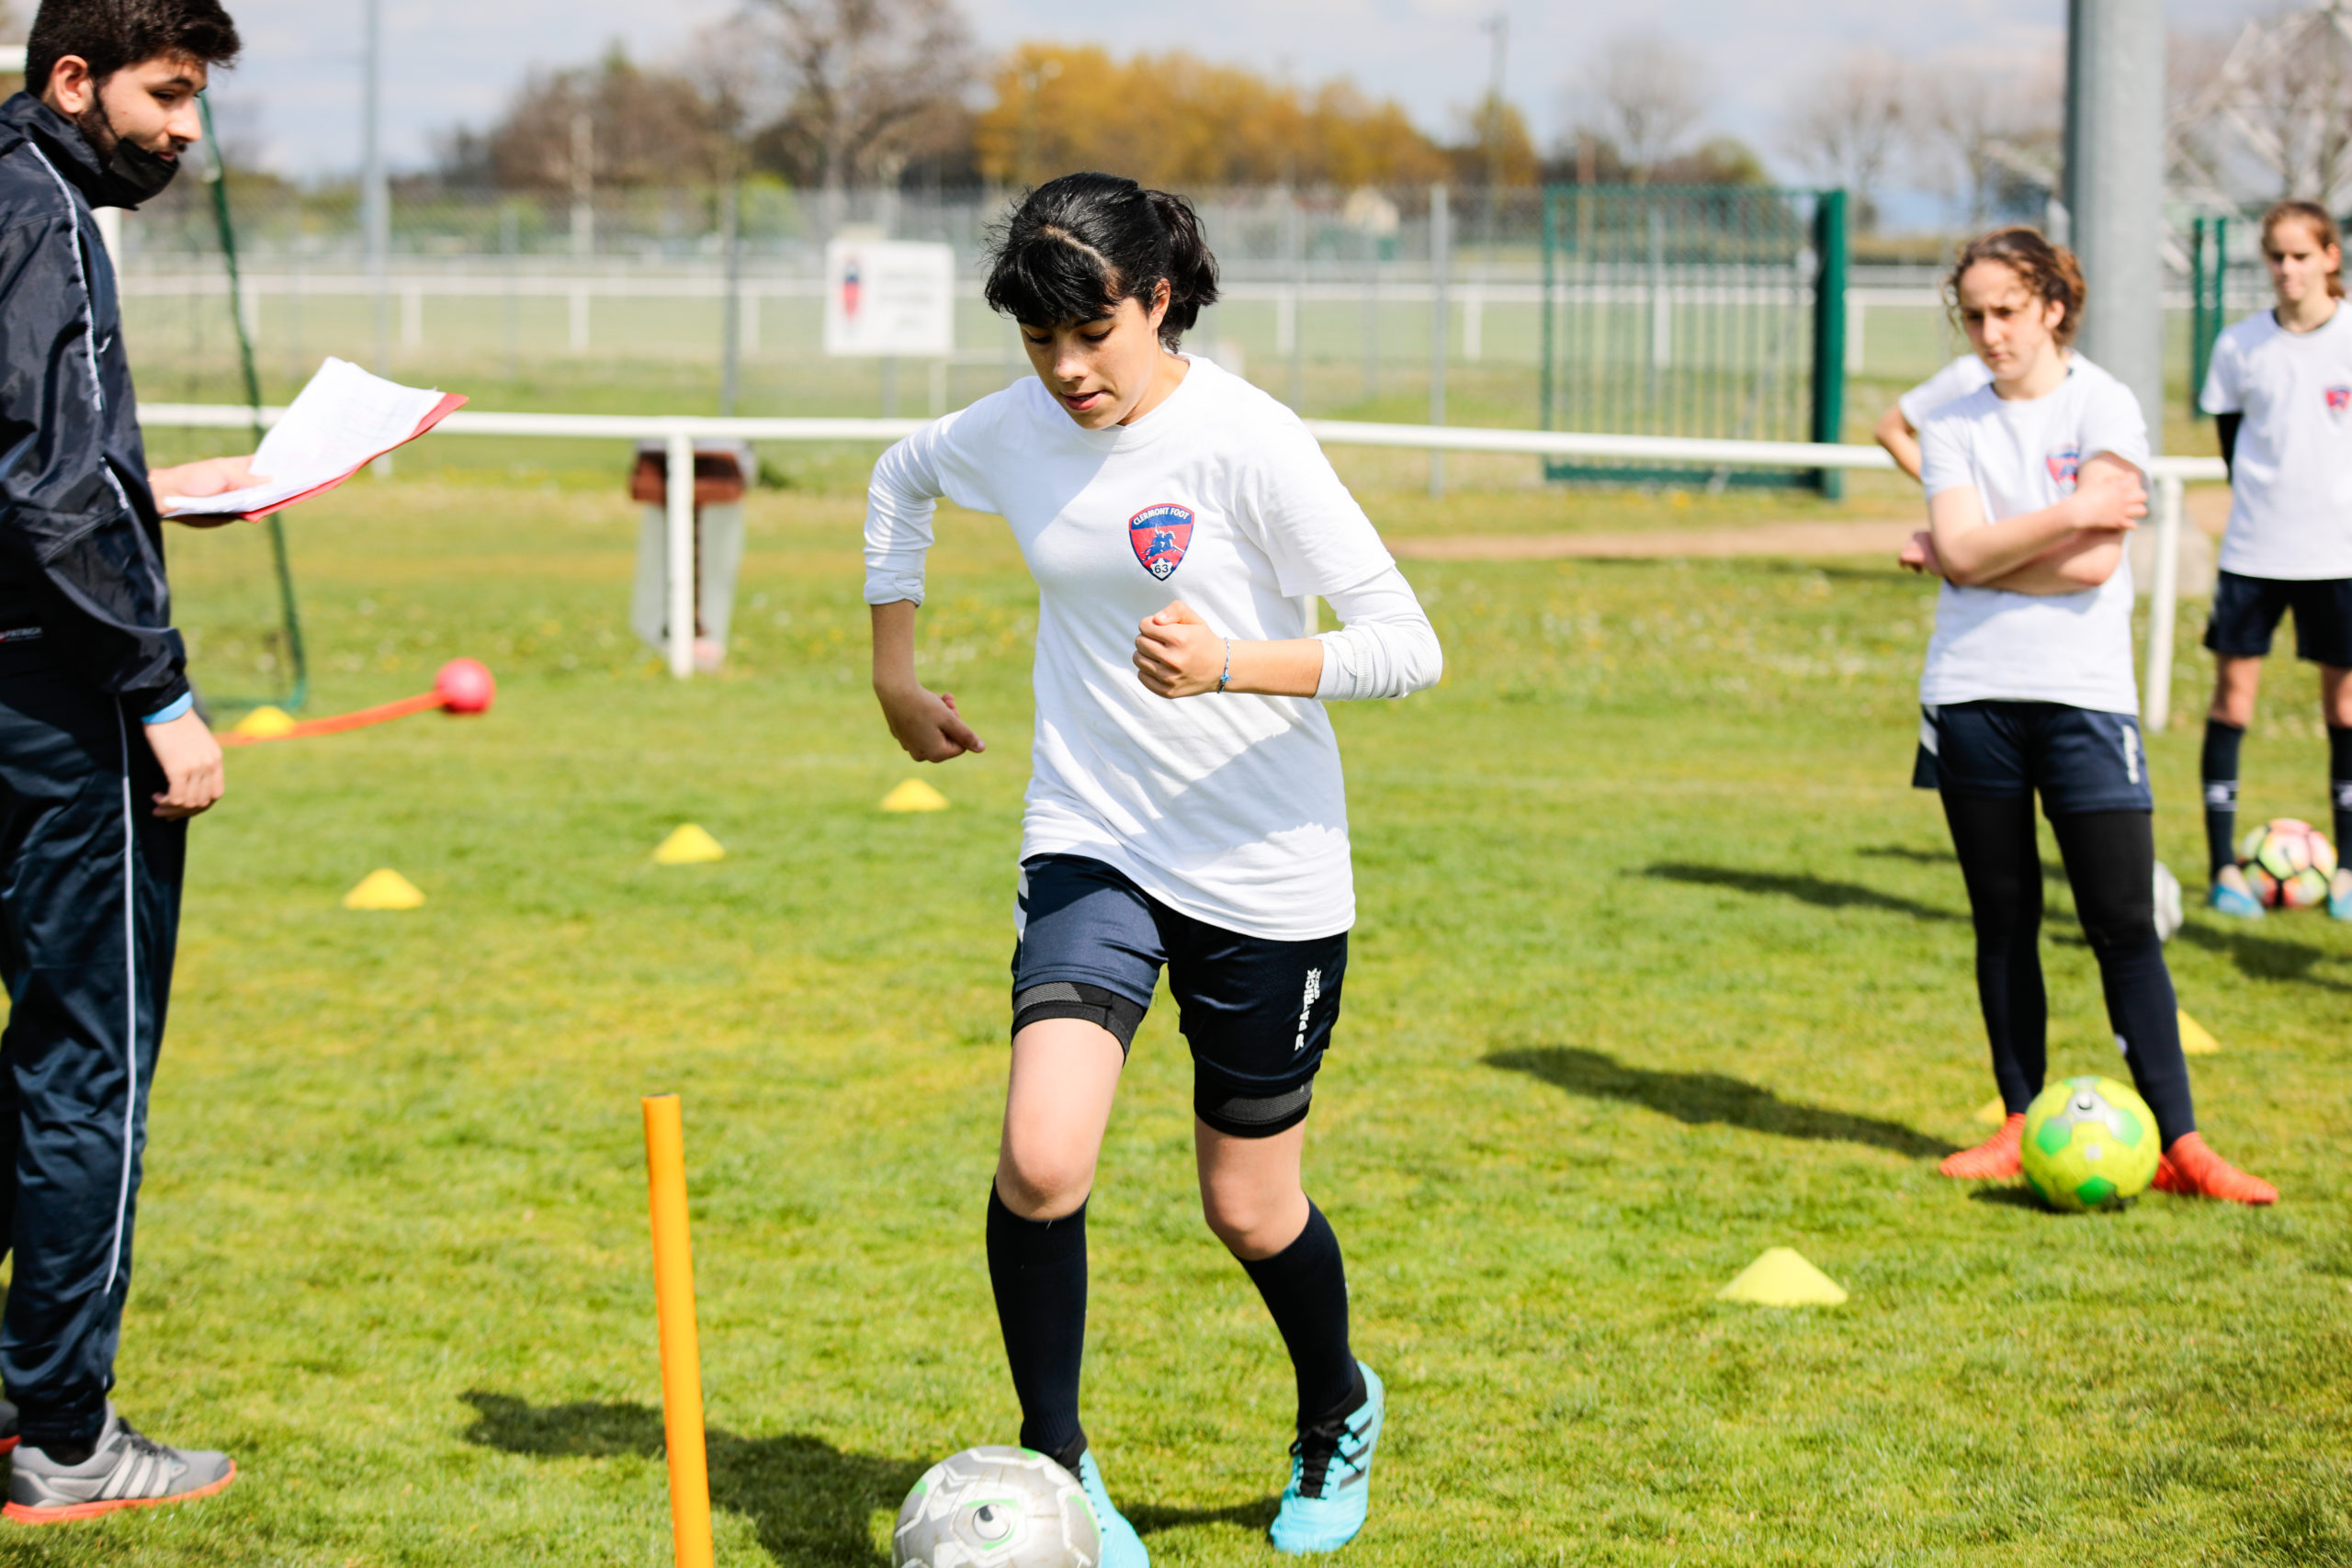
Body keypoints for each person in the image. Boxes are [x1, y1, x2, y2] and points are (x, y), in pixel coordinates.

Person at [863, 172, 1442, 1561]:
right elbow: (902, 476)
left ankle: (1334, 1405)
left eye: (1094, 336)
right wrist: (895, 672)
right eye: (1039, 342)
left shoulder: (1253, 442)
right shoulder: (1014, 427)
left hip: (1265, 860)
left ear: (1159, 299)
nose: (1067, 371)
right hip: (1093, 836)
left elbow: (1407, 643)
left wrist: (1240, 662)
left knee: (1247, 1203)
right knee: (1040, 1158)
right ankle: (1058, 1467)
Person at [0, 0, 267, 1522]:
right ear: (77, 78)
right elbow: (43, 487)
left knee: (36, 1054)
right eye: (169, 94)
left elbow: (33, 469)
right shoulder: (47, 215)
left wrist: (145, 490)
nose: (186, 130)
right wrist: (159, 692)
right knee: (87, 1061)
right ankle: (66, 1433)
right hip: (58, 702)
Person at [1898, 227, 2277, 1206]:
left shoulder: (2103, 401)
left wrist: (1977, 547)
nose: (1988, 334)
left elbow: (2093, 565)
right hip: (1970, 694)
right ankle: (2018, 1121)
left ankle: (2183, 1144)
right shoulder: (1953, 421)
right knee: (2003, 917)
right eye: (1973, 316)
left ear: (2053, 307)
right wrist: (2066, 513)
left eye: (2006, 313)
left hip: (2085, 700)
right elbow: (2001, 549)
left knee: (2120, 923)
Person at [2193, 200, 2352, 919]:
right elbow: (2232, 444)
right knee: (2232, 702)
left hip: (2341, 556)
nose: (2287, 269)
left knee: (2346, 709)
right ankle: (2225, 869)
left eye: (2300, 255)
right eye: (2276, 256)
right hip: (2255, 553)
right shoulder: (2239, 346)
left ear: (2330, 257)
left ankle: (2346, 872)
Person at [1874, 352, 1995, 482]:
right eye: (1978, 329)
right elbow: (1890, 429)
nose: (1990, 337)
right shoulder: (1972, 373)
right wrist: (1945, 486)